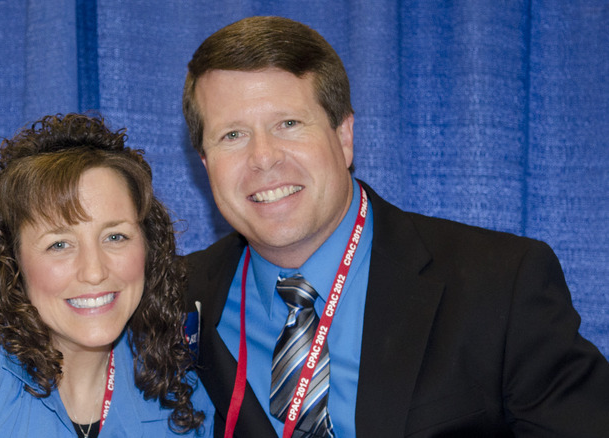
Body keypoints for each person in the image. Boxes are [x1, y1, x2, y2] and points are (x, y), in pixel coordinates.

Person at [181, 15, 609, 438]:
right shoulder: (174, 299)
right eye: (232, 136)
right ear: (205, 164)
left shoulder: (500, 284)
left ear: (344, 137)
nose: (263, 157)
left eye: (288, 124)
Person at [0, 113, 213, 437]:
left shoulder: (177, 389)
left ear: (148, 247)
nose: (94, 271)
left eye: (115, 237)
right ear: (11, 259)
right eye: (59, 244)